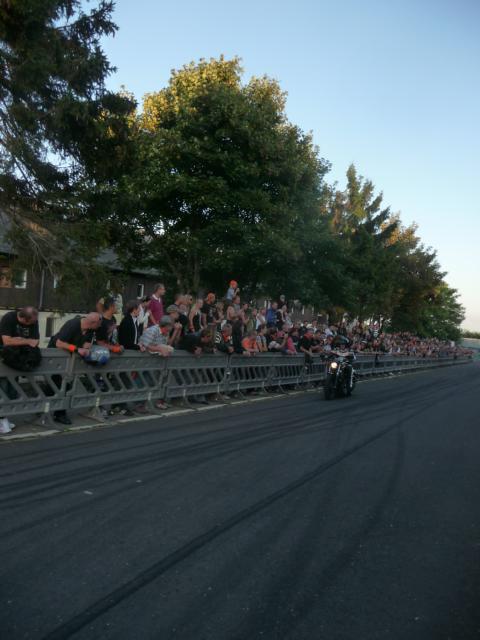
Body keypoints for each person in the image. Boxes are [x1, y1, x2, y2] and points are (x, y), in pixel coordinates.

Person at [49, 312, 103, 424]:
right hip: (57, 356)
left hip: (70, 359)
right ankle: (48, 410)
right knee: (55, 383)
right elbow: (59, 343)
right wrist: (77, 349)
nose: (100, 326)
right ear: (93, 323)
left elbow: (86, 344)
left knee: (65, 384)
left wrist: (87, 349)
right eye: (99, 323)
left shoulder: (91, 330)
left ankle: (59, 413)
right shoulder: (72, 324)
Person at [0, 307, 40, 433]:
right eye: (31, 323)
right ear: (23, 319)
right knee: (3, 389)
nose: (34, 324)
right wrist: (26, 341)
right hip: (4, 359)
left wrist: (18, 341)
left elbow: (36, 341)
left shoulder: (33, 321)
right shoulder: (9, 318)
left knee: (12, 390)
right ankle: (2, 419)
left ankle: (4, 417)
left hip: (17, 360)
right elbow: (6, 341)